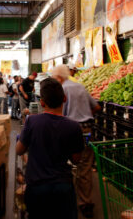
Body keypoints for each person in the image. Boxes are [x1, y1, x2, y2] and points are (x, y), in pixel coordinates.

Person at [16, 78, 84, 219]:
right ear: (64, 99)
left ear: (42, 102)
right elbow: (76, 159)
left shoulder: (32, 121)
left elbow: (19, 150)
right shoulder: (74, 127)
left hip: (36, 186)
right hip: (63, 186)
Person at [52, 65, 101, 218]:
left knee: (61, 164)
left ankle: (63, 201)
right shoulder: (80, 87)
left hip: (68, 131)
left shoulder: (61, 90)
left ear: (59, 78)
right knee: (85, 168)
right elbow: (97, 107)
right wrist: (85, 114)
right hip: (86, 131)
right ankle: (86, 204)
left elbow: (58, 114)